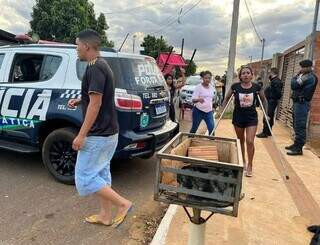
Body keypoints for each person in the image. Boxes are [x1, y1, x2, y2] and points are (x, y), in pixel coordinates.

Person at [68, 29, 132, 227]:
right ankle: (105, 216)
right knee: (101, 175)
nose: (76, 48)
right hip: (109, 132)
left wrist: (81, 135)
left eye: (77, 44)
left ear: (86, 46)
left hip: (98, 135)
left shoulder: (95, 68)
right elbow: (96, 98)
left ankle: (123, 204)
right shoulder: (102, 64)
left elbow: (95, 105)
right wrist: (81, 100)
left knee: (84, 178)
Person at [218, 66, 266, 177]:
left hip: (251, 118)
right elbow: (226, 98)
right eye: (243, 73)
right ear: (240, 76)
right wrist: (222, 110)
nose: (245, 75)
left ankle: (250, 165)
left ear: (251, 75)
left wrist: (266, 114)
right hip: (238, 117)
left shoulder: (257, 87)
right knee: (241, 141)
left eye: (248, 73)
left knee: (250, 141)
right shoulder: (235, 86)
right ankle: (243, 161)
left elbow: (264, 100)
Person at [285, 59, 318, 155]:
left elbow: (293, 85)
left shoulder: (308, 77)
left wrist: (296, 76)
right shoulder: (304, 75)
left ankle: (299, 148)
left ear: (308, 67)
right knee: (296, 124)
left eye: (303, 67)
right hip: (298, 103)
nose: (301, 69)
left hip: (302, 104)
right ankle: (296, 144)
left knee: (300, 125)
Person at [256, 68, 283, 138]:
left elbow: (278, 93)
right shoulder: (273, 81)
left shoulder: (276, 81)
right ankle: (268, 131)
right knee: (269, 116)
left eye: (269, 73)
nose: (268, 74)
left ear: (272, 73)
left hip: (271, 101)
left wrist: (272, 98)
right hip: (270, 101)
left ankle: (265, 132)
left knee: (267, 115)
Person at [190, 70, 215, 135]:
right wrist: (198, 99)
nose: (207, 79)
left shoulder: (212, 87)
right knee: (194, 128)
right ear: (203, 78)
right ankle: (189, 140)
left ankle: (212, 143)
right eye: (206, 78)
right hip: (198, 111)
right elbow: (193, 100)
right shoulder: (198, 87)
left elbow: (211, 99)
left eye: (209, 78)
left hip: (208, 112)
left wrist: (213, 107)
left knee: (212, 128)